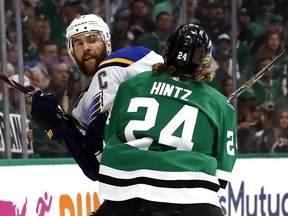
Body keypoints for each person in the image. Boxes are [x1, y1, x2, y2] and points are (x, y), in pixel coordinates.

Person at [95, 24, 237, 216]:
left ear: (167, 50)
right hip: (191, 194)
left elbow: (108, 139)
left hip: (126, 187)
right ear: (205, 59)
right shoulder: (219, 104)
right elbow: (222, 176)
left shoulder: (131, 84)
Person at [30, 14, 163, 181]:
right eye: (78, 43)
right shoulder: (82, 106)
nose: (85, 47)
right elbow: (94, 170)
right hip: (126, 186)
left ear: (107, 43)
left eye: (92, 40)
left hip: (163, 165)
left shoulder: (133, 57)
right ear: (73, 54)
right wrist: (52, 124)